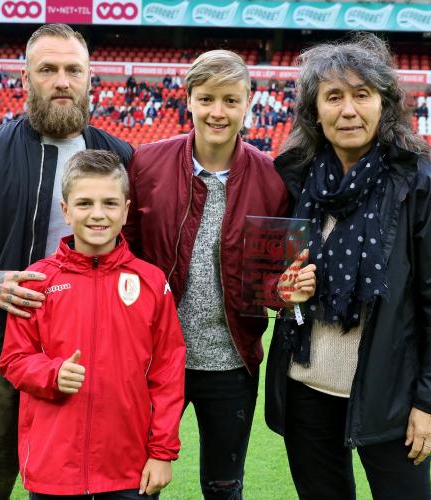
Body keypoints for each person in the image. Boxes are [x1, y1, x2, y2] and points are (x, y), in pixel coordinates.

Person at [0, 23, 132, 500]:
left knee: (73, 482)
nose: (62, 81)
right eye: (48, 69)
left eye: (74, 69)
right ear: (25, 77)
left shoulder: (120, 156)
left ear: (91, 77)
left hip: (85, 355)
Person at [123, 50, 316, 499]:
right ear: (188, 99)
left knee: (224, 486)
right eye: (207, 98)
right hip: (152, 360)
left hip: (231, 363)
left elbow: (268, 282)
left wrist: (284, 291)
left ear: (248, 102)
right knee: (136, 481)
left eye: (230, 100)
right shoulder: (146, 163)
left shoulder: (272, 179)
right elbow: (125, 255)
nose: (218, 112)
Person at [266, 33, 431, 500]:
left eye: (361, 95)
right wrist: (285, 287)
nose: (348, 110)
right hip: (306, 385)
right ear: (315, 111)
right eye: (333, 97)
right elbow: (277, 274)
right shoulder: (299, 177)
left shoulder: (422, 182)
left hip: (389, 394)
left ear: (384, 104)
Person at [0, 150, 185, 499]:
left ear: (126, 210)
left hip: (129, 471)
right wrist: (52, 374)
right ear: (66, 211)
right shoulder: (36, 281)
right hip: (54, 468)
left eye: (109, 203)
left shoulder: (150, 282)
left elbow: (168, 373)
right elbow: (13, 360)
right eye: (84, 203)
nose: (97, 214)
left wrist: (161, 453)